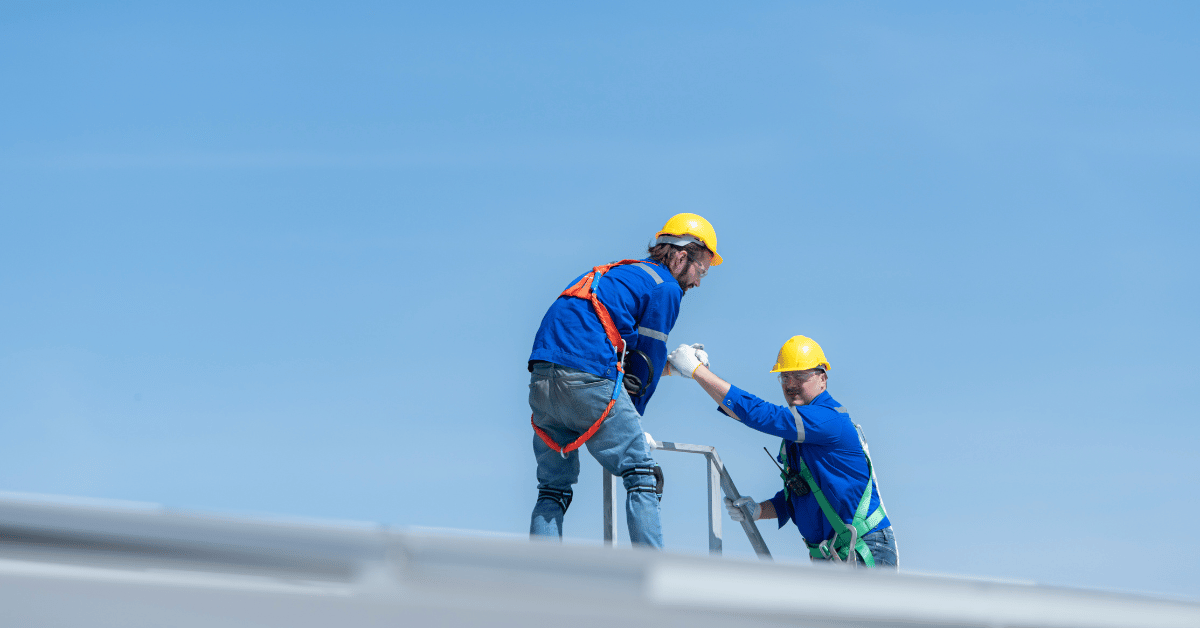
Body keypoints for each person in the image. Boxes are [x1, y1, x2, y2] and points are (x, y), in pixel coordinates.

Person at [527, 213, 722, 548]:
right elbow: (645, 363)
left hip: (544, 380)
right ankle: (652, 576)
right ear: (679, 257)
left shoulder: (621, 274)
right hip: (587, 379)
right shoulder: (665, 288)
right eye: (701, 269)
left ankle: (540, 579)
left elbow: (617, 353)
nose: (698, 282)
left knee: (553, 489)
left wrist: (671, 368)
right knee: (642, 476)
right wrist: (635, 420)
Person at [666, 335, 898, 567]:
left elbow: (761, 415)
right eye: (785, 376)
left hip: (862, 548)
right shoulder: (799, 436)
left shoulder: (829, 419)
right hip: (833, 556)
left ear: (822, 379)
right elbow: (799, 496)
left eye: (800, 375)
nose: (791, 384)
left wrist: (698, 371)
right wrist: (759, 510)